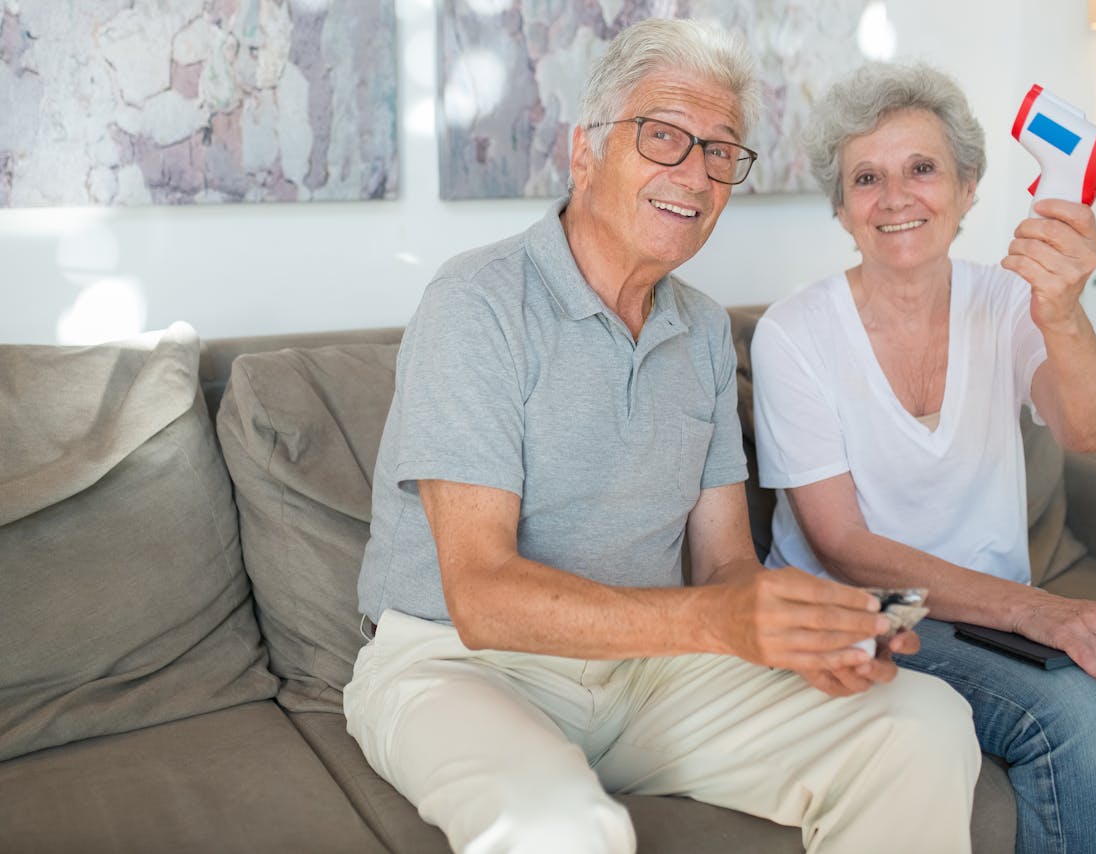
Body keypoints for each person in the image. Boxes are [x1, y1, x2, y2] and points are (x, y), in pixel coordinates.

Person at [344, 19, 980, 854]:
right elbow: (482, 594)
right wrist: (719, 624)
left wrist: (791, 637)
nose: (697, 173)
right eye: (664, 137)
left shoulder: (705, 332)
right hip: (458, 665)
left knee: (924, 720)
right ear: (585, 152)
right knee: (559, 828)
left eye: (721, 152)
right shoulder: (477, 304)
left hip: (650, 675)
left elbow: (724, 567)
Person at [751, 62, 1096, 853]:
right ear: (841, 209)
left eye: (923, 169)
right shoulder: (793, 334)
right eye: (867, 178)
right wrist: (1041, 612)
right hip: (869, 618)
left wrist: (1063, 311)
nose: (897, 197)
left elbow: (1094, 430)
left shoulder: (1007, 302)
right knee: (1078, 721)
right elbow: (844, 546)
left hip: (996, 613)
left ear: (969, 187)